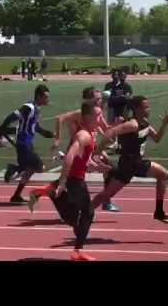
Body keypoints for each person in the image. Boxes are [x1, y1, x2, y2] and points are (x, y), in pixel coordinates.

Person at [28, 87, 121, 213]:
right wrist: (57, 139)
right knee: (72, 179)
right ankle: (101, 203)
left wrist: (117, 127)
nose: (101, 101)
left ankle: (40, 193)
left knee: (73, 179)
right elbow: (59, 118)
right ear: (89, 99)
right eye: (98, 98)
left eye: (101, 98)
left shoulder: (98, 112)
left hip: (90, 147)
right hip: (79, 148)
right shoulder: (80, 113)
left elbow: (106, 129)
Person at [91, 95, 168, 224]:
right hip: (131, 163)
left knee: (106, 194)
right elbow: (110, 133)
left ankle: (84, 212)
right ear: (136, 109)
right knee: (163, 174)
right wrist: (97, 152)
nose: (149, 109)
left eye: (148, 106)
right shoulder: (132, 124)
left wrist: (164, 124)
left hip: (131, 165)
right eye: (145, 107)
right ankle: (159, 212)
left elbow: (157, 139)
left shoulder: (145, 123)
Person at [54, 102, 109, 261]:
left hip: (76, 179)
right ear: (87, 117)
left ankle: (78, 248)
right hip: (74, 180)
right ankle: (77, 250)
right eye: (98, 115)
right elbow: (70, 156)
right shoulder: (84, 135)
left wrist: (96, 167)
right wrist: (63, 181)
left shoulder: (89, 134)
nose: (100, 119)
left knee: (83, 213)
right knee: (87, 212)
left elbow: (81, 158)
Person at [0, 85, 54, 203]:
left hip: (27, 143)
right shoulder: (28, 107)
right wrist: (1, 129)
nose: (48, 100)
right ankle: (13, 168)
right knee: (40, 167)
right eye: (46, 97)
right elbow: (12, 116)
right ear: (39, 96)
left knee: (30, 170)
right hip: (23, 143)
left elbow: (34, 126)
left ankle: (16, 196)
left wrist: (46, 133)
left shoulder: (36, 109)